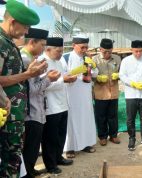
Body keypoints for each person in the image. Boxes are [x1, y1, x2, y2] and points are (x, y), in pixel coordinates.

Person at [0, 1, 48, 177]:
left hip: (12, 115)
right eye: (26, 27)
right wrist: (28, 74)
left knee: (13, 163)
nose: (27, 32)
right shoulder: (1, 42)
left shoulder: (8, 42)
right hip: (6, 118)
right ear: (12, 21)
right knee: (9, 164)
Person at [21, 28, 62, 178]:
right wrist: (48, 79)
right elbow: (31, 90)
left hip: (37, 110)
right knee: (30, 147)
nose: (44, 49)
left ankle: (30, 169)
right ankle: (27, 172)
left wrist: (45, 76)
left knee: (33, 146)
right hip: (31, 112)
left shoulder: (31, 58)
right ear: (32, 42)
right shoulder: (25, 60)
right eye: (42, 45)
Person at [41, 37, 76, 174]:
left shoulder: (59, 61)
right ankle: (50, 165)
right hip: (50, 106)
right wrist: (63, 80)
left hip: (62, 104)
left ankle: (58, 157)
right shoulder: (42, 62)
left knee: (61, 134)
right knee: (50, 138)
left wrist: (68, 78)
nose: (61, 54)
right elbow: (43, 85)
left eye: (62, 51)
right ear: (48, 49)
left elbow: (61, 78)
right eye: (58, 51)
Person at [61, 35, 97, 158]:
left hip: (85, 94)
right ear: (74, 45)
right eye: (82, 47)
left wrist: (93, 67)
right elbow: (62, 75)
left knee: (86, 118)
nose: (84, 50)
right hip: (71, 94)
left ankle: (86, 144)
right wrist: (78, 70)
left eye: (86, 47)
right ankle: (70, 148)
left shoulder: (87, 57)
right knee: (71, 120)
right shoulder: (65, 58)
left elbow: (95, 74)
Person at [119, 40, 142, 151]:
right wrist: (132, 83)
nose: (138, 53)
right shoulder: (125, 61)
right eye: (136, 51)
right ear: (131, 50)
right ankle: (132, 138)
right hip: (131, 94)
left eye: (140, 51)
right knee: (130, 119)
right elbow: (122, 75)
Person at [92, 38, 121, 146]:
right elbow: (90, 75)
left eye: (110, 52)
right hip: (100, 92)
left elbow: (123, 72)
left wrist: (119, 76)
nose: (107, 54)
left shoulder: (117, 58)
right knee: (101, 116)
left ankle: (113, 135)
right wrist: (97, 78)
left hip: (113, 92)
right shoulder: (94, 60)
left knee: (113, 115)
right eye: (105, 52)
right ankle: (102, 136)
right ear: (100, 49)